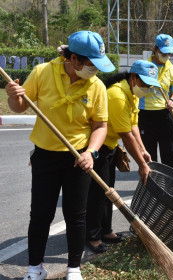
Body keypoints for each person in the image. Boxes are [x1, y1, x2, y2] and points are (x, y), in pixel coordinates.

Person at [6, 31, 115, 280]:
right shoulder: (43, 72)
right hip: (45, 157)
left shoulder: (96, 85)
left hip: (78, 159)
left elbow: (100, 126)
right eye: (91, 64)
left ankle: (74, 268)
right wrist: (13, 97)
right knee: (41, 213)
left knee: (76, 215)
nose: (95, 70)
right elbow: (21, 107)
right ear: (74, 59)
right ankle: (35, 268)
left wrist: (91, 152)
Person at [86, 60, 160, 253]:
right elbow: (126, 135)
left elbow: (133, 125)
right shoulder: (117, 96)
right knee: (97, 193)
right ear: (133, 78)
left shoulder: (132, 94)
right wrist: (142, 164)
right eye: (144, 83)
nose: (147, 88)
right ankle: (93, 237)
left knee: (109, 190)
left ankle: (106, 231)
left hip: (110, 146)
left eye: (150, 85)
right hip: (97, 148)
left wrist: (143, 149)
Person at [137, 34, 173, 169]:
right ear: (155, 49)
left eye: (169, 53)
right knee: (149, 153)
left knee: (170, 152)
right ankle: (151, 182)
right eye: (164, 52)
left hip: (165, 115)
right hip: (145, 115)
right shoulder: (144, 68)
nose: (167, 55)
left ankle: (171, 181)